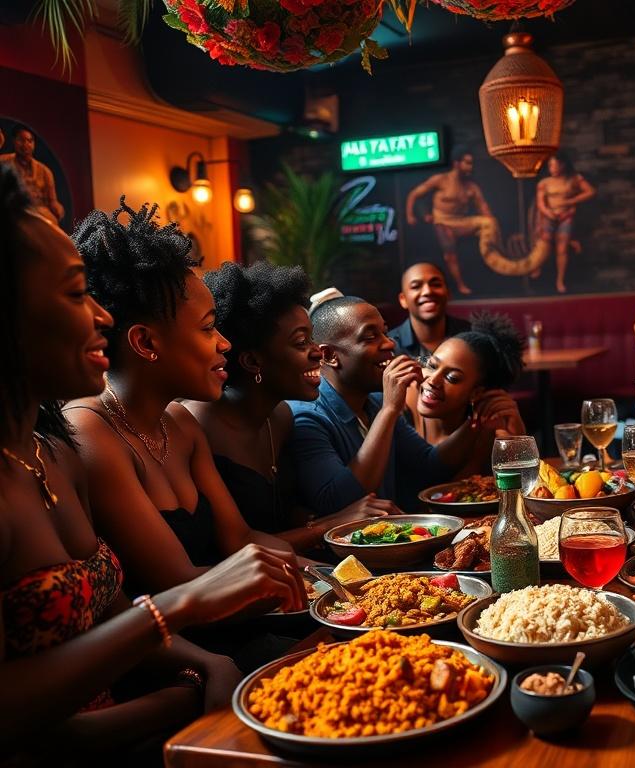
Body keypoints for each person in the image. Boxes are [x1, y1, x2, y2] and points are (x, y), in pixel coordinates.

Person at [0, 166, 306, 762]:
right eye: (72, 293)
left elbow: (106, 610)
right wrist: (183, 675)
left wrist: (202, 666)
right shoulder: (86, 432)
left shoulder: (50, 449)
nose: (102, 316)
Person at [63, 199, 301, 596]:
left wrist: (336, 577)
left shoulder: (179, 422)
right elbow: (177, 582)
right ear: (145, 341)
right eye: (208, 329)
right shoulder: (91, 431)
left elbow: (239, 538)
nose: (224, 343)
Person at [185, 262, 399, 553]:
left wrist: (319, 522)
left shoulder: (281, 416)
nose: (316, 352)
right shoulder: (198, 423)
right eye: (301, 342)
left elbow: (285, 513)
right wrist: (329, 525)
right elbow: (234, 546)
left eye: (311, 338)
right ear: (252, 362)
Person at [287, 296, 499, 515]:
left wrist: (478, 418)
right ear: (329, 355)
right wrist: (390, 409)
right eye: (370, 337)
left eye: (385, 333)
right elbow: (339, 502)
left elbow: (429, 467)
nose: (390, 343)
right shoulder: (306, 417)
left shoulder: (375, 402)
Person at [407, 313, 527, 447]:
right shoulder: (403, 402)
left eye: (452, 377)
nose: (433, 380)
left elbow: (525, 467)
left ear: (476, 393)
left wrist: (518, 437)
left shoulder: (488, 433)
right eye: (432, 366)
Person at [405, 148, 500, 295]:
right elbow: (414, 194)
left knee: (488, 222)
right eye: (467, 163)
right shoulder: (440, 180)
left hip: (462, 223)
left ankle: (496, 261)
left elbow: (483, 207)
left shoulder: (471, 187)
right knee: (450, 253)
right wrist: (410, 215)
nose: (470, 167)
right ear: (457, 163)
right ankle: (460, 285)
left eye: (471, 163)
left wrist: (491, 221)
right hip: (442, 222)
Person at [533, 152, 596, 293]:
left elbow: (591, 191)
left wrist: (571, 201)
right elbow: (540, 203)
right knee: (545, 244)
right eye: (550, 165)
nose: (553, 168)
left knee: (562, 249)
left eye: (555, 164)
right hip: (549, 215)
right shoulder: (544, 183)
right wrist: (548, 213)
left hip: (566, 215)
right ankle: (536, 267)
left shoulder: (573, 179)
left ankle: (560, 281)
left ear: (563, 165)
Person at [387, 261, 471, 359]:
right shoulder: (390, 345)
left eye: (436, 284)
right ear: (403, 299)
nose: (428, 291)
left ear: (448, 293)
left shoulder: (471, 336)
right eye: (416, 286)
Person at [0, 124, 64, 225]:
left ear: (34, 144)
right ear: (14, 142)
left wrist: (57, 208)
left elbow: (52, 201)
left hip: (38, 213)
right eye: (21, 140)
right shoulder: (3, 162)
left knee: (51, 224)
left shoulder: (45, 171)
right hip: (9, 212)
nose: (25, 144)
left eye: (29, 141)